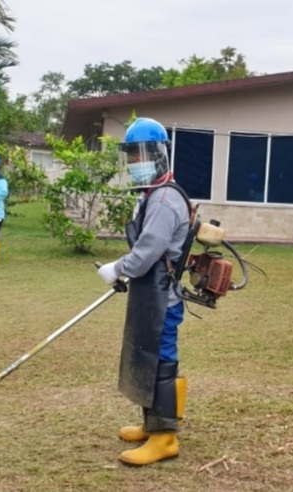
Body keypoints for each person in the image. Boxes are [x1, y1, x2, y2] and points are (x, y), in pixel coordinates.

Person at [97, 117, 191, 466]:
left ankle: (165, 438)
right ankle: (152, 426)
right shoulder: (153, 193)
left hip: (162, 296)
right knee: (146, 357)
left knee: (161, 360)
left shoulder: (165, 198)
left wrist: (118, 268)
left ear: (160, 154)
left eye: (142, 155)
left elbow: (150, 249)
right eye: (132, 156)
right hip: (150, 292)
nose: (137, 163)